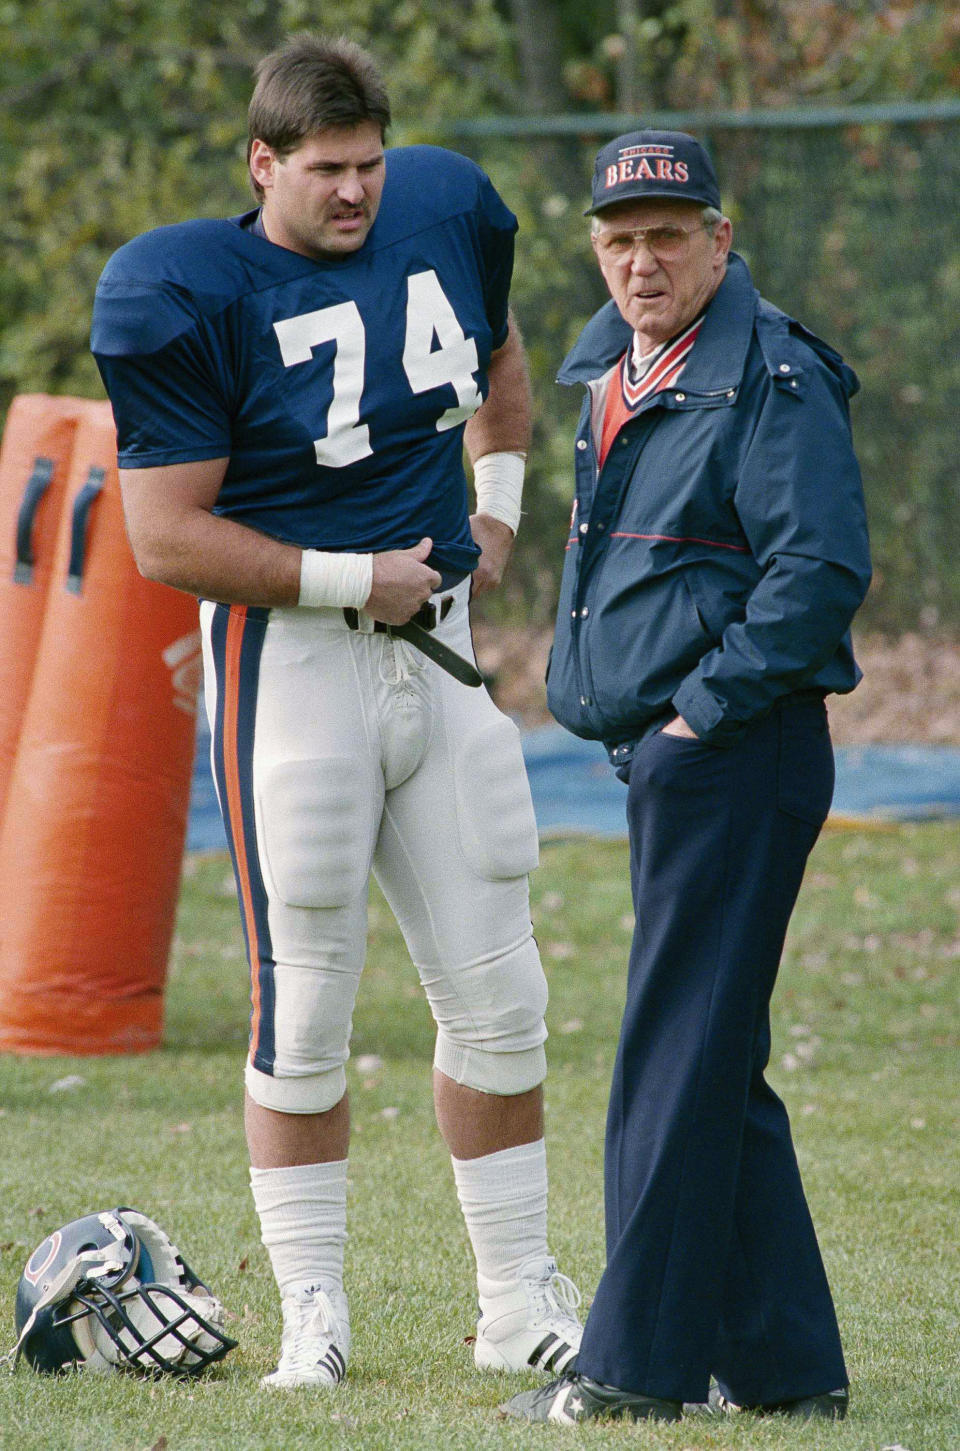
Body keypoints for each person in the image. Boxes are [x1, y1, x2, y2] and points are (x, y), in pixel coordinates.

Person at [90, 33, 583, 1390]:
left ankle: (518, 1305)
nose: (357, 192)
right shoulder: (184, 285)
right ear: (262, 164)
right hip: (291, 665)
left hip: (441, 645)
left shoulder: (443, 206)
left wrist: (496, 510)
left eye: (369, 164)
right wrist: (347, 577)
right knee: (302, 1006)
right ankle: (315, 1311)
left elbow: (501, 363)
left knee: (502, 992)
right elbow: (166, 536)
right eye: (325, 171)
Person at [502, 130, 871, 1425]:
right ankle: (784, 1366)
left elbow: (818, 571)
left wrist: (695, 720)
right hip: (673, 760)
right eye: (620, 239)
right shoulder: (616, 362)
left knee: (672, 1051)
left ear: (721, 238)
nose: (642, 260)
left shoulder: (769, 375)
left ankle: (634, 1363)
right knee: (711, 1053)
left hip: (735, 751)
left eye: (669, 235)